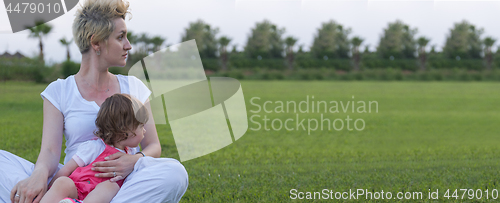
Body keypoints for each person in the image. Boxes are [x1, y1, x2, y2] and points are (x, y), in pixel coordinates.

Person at [0, 0, 188, 202]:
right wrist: (38, 176)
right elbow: (50, 151)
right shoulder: (59, 91)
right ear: (96, 42)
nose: (128, 45)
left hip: (120, 183)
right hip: (72, 180)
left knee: (175, 173)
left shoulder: (134, 87)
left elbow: (153, 145)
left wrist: (133, 160)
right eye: (121, 37)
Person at [40, 94, 149, 203]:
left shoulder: (131, 155)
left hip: (98, 197)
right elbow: (67, 169)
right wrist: (49, 189)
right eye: (141, 126)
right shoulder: (96, 147)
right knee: (62, 182)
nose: (144, 130)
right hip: (77, 189)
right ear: (125, 130)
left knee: (110, 186)